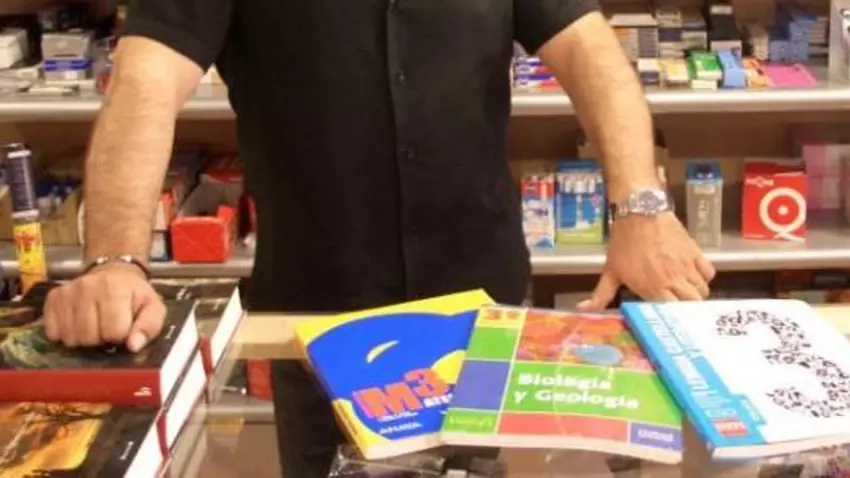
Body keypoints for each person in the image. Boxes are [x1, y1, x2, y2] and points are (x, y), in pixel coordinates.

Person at [42, 0, 716, 476]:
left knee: (470, 470)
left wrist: (642, 206)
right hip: (316, 321)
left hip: (475, 310)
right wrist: (115, 261)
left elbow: (590, 49)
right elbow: (146, 78)